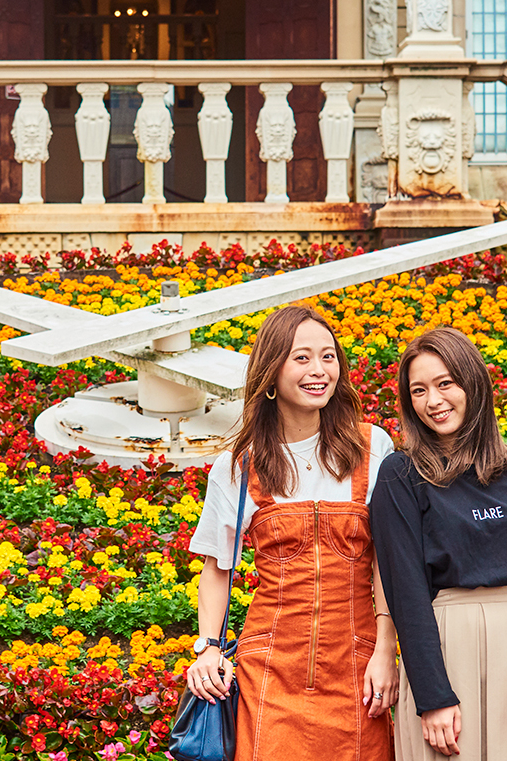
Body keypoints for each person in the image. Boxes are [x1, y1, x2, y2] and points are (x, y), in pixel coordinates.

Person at [188, 304, 397, 761]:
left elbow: (388, 560)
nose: (319, 370)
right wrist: (206, 648)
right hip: (270, 666)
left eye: (328, 357)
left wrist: (386, 649)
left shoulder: (373, 446)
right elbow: (217, 568)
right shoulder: (237, 465)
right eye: (301, 358)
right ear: (271, 370)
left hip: (357, 663)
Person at [370, 327, 507, 761]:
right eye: (419, 390)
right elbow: (405, 589)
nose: (433, 401)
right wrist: (432, 695)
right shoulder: (400, 475)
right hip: (446, 654)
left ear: (473, 383)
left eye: (446, 383)